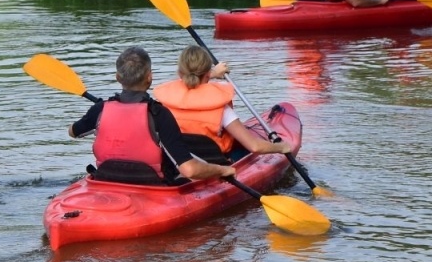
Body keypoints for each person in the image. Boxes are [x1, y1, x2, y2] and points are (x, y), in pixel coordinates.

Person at [68, 46, 237, 185]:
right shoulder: (159, 114)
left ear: (118, 77)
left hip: (106, 178)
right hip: (152, 184)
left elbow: (73, 132)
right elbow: (189, 170)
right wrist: (223, 170)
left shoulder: (100, 109)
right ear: (150, 77)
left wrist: (99, 120)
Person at [153, 47, 296, 164]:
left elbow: (188, 80)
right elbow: (254, 146)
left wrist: (213, 73)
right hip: (215, 164)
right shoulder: (222, 110)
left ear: (179, 73)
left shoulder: (163, 105)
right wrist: (282, 147)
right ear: (208, 74)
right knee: (247, 152)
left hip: (179, 162)